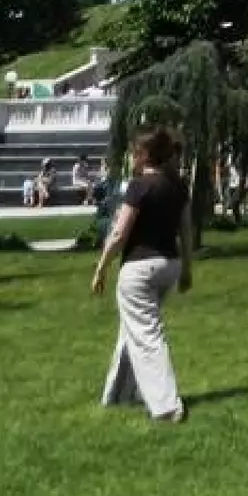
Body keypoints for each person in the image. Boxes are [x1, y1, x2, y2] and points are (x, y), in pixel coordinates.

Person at [92, 127, 193, 424]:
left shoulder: (139, 186)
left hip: (139, 269)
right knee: (133, 330)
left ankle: (167, 406)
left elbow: (119, 233)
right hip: (169, 265)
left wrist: (101, 267)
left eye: (132, 152)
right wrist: (187, 269)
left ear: (143, 155)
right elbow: (186, 230)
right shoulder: (177, 186)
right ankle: (118, 395)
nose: (129, 158)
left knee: (147, 335)